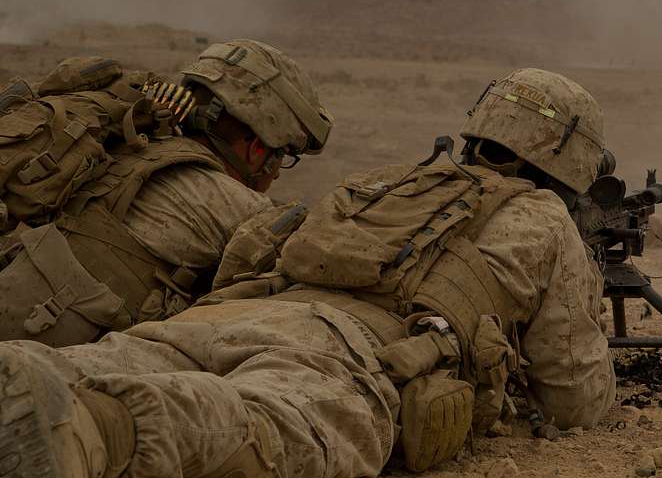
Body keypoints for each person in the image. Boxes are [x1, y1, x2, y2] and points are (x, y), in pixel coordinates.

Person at [0, 68, 615, 478]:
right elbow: (574, 396)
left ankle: (38, 378)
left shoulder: (384, 180)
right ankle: (95, 432)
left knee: (106, 363)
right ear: (572, 157)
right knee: (277, 426)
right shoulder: (544, 216)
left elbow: (252, 246)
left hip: (227, 314)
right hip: (345, 347)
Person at [0, 39, 333, 346]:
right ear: (258, 150)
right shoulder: (229, 204)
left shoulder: (119, 142)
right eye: (284, 157)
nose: (276, 174)